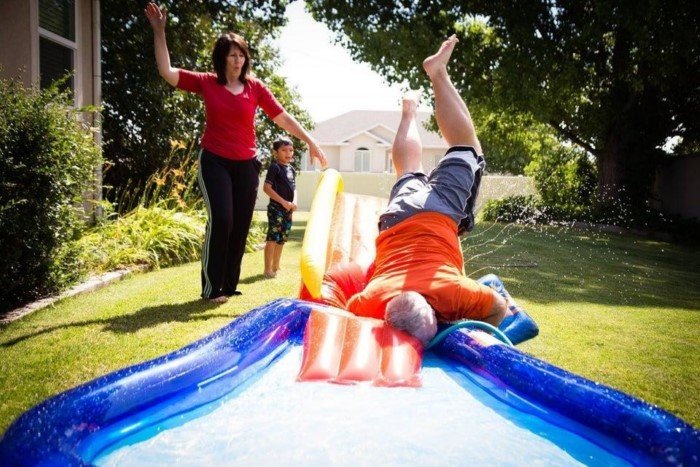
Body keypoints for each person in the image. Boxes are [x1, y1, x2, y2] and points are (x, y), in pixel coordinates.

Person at [305, 35, 537, 347]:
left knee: (466, 148)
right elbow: (351, 312)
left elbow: (497, 307)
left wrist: (467, 330)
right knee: (407, 170)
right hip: (396, 219)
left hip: (438, 213)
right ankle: (408, 111)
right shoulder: (372, 299)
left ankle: (437, 74)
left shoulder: (454, 290)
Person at [144, 3, 327, 304]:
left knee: (241, 224)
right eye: (233, 53)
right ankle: (212, 287)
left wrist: (310, 140)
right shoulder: (207, 82)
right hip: (215, 160)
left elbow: (281, 117)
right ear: (222, 58)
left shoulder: (254, 88)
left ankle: (229, 285)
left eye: (242, 53)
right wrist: (159, 32)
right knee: (223, 219)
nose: (238, 58)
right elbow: (167, 72)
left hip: (246, 165)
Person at [263, 137, 297, 278]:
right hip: (276, 208)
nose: (288, 153)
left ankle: (276, 266)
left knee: (282, 238)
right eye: (283, 150)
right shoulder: (274, 167)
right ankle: (267, 269)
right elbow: (267, 188)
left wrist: (293, 202)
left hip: (288, 209)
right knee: (273, 237)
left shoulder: (291, 169)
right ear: (275, 152)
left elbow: (294, 188)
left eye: (290, 150)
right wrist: (283, 202)